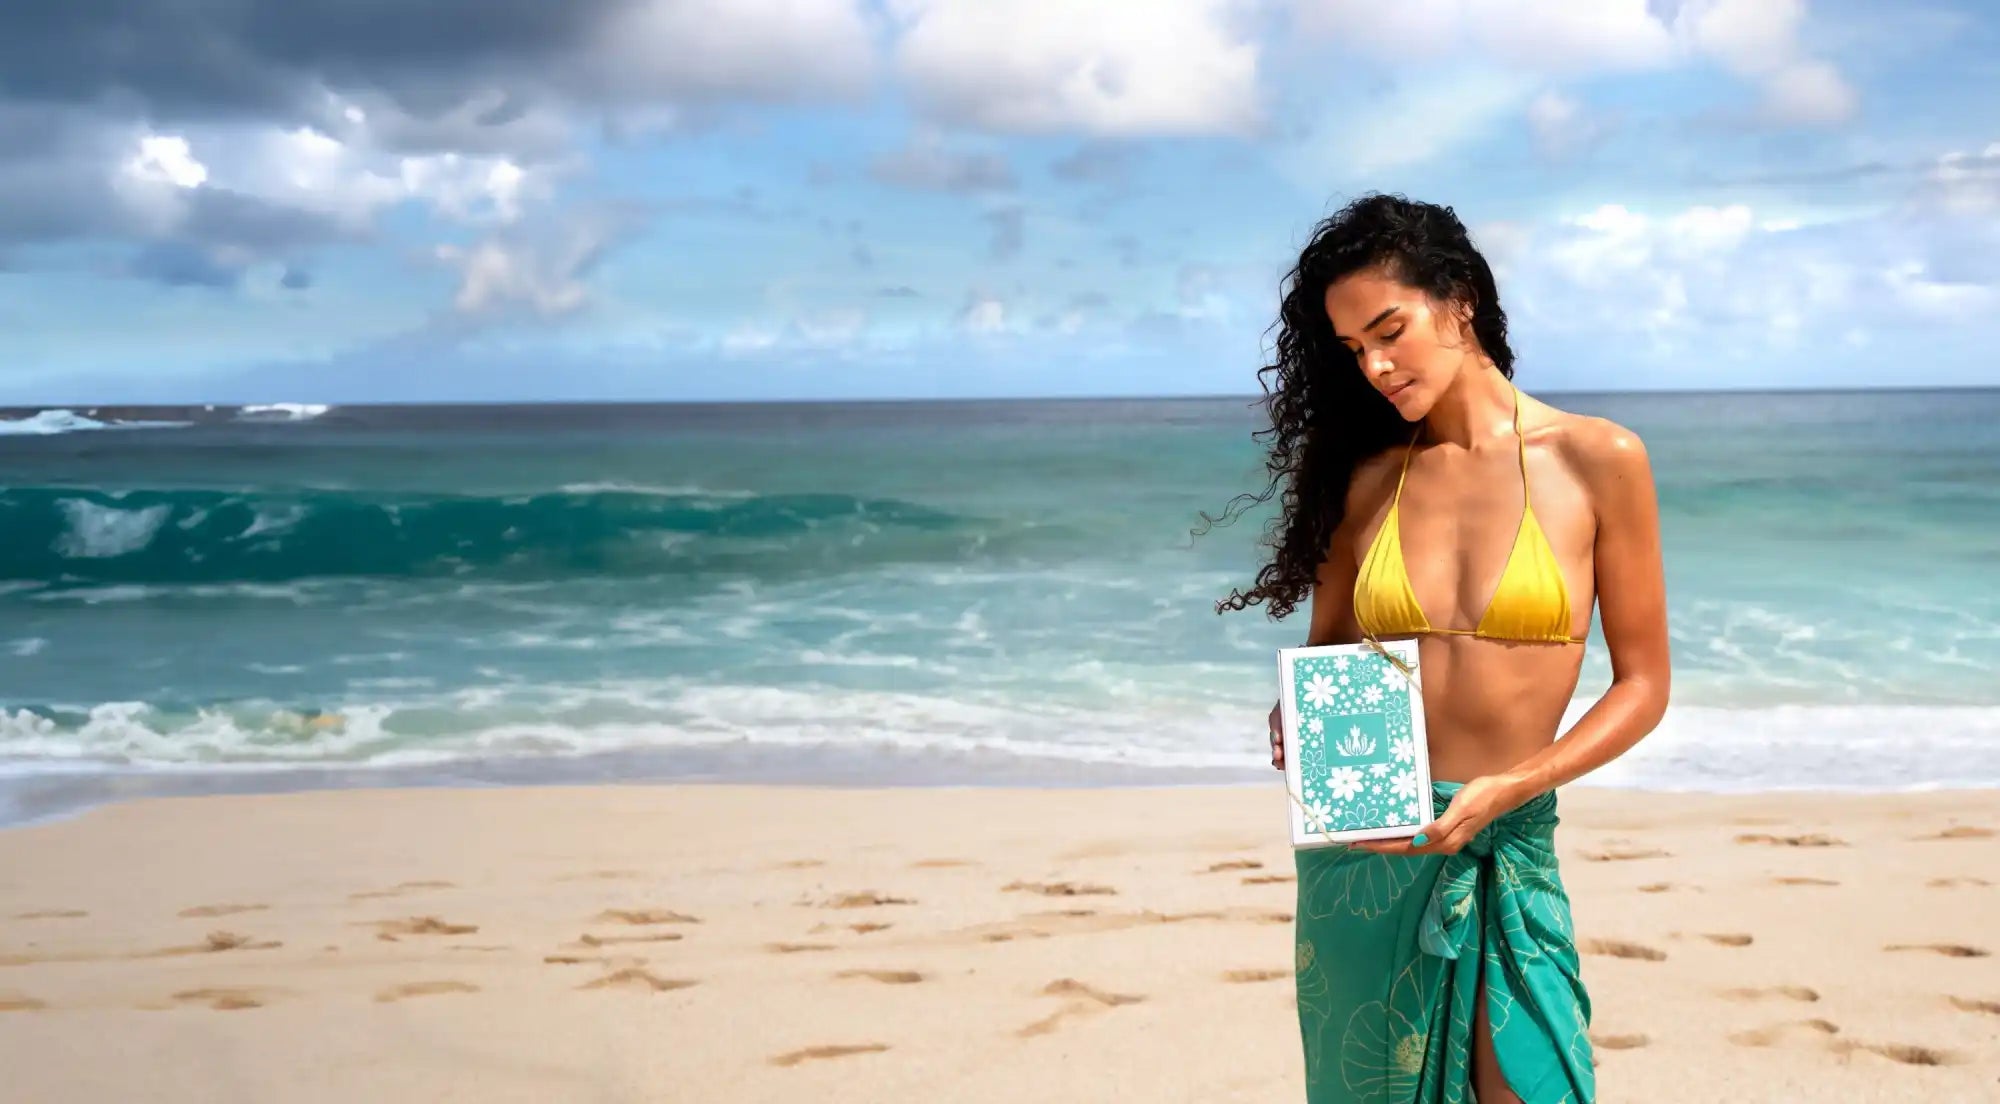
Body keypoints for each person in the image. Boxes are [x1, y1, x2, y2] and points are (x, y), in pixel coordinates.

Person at [1203, 194, 1671, 1102]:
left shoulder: (1598, 458)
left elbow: (1644, 683)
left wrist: (1515, 786)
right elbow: (1330, 651)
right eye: (1353, 351)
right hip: (1365, 856)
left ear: (1458, 299)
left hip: (1506, 841)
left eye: (1390, 330)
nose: (1375, 366)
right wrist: (1293, 715)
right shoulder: (1370, 481)